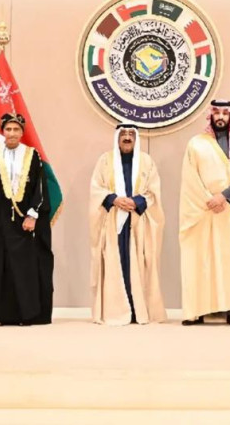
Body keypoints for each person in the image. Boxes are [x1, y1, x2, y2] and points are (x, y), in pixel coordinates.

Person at [179, 99, 230, 327]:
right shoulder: (196, 144)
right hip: (203, 210)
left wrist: (224, 196)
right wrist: (209, 199)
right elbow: (190, 178)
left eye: (225, 113)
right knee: (202, 261)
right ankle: (198, 311)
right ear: (211, 115)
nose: (221, 117)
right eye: (217, 112)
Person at [0, 113, 53, 326]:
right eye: (8, 129)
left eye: (16, 130)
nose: (12, 133)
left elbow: (40, 188)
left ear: (22, 132)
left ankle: (24, 315)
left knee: (23, 267)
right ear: (3, 131)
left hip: (23, 222)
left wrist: (32, 215)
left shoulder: (32, 155)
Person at [89, 124, 166, 325]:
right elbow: (96, 188)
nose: (127, 137)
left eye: (131, 134)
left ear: (136, 138)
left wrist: (137, 202)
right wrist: (114, 199)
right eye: (123, 134)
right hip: (113, 221)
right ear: (117, 137)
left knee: (137, 264)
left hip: (137, 222)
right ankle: (116, 311)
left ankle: (138, 311)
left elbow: (154, 191)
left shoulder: (146, 162)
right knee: (116, 262)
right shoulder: (105, 161)